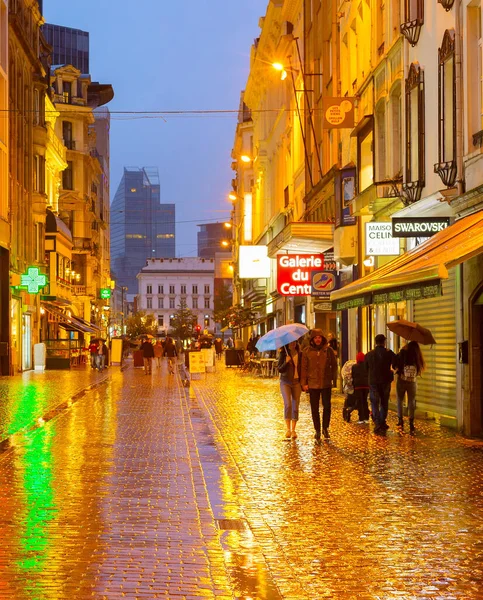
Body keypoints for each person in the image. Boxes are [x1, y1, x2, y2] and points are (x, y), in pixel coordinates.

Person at [301, 329, 338, 441]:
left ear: (322, 339)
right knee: (314, 408)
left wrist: (334, 380)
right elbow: (304, 368)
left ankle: (325, 428)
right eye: (315, 337)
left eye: (319, 337)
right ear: (312, 339)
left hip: (326, 383)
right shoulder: (307, 351)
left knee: (327, 406)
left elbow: (334, 366)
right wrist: (304, 383)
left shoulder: (328, 351)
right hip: (312, 384)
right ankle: (317, 430)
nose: (318, 339)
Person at [365, 334, 396, 434]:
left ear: (375, 342)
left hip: (373, 381)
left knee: (374, 402)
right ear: (384, 342)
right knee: (384, 402)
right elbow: (396, 364)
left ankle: (378, 422)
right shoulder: (389, 353)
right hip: (385, 381)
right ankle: (382, 421)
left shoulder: (369, 354)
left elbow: (365, 368)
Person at [394, 341, 425, 433]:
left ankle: (400, 420)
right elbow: (419, 369)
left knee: (400, 399)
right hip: (412, 381)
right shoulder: (417, 356)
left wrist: (401, 350)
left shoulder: (403, 353)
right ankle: (411, 422)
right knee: (411, 401)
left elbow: (396, 363)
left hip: (402, 380)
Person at [277, 341, 302, 440]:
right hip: (285, 381)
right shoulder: (283, 354)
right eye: (291, 342)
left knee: (295, 406)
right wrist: (286, 362)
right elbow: (279, 369)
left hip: (297, 382)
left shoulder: (300, 354)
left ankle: (293, 430)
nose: (293, 344)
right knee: (288, 404)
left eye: (295, 342)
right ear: (287, 343)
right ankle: (287, 429)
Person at [352, 352, 370, 423]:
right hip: (366, 386)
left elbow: (353, 376)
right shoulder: (367, 366)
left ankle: (361, 418)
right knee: (365, 401)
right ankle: (366, 417)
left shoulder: (354, 367)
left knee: (360, 402)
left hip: (358, 386)